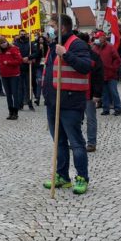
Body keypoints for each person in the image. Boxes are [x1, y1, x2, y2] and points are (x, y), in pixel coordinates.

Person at [42, 14, 92, 195]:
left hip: (70, 102)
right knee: (59, 142)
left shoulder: (76, 44)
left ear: (62, 28)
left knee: (76, 142)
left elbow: (86, 66)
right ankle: (62, 176)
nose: (49, 29)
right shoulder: (52, 46)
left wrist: (66, 54)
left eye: (52, 25)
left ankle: (82, 177)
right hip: (53, 101)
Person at [79, 32, 103, 152]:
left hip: (89, 92)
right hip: (76, 92)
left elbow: (99, 76)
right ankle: (78, 142)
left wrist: (97, 94)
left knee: (90, 119)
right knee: (76, 119)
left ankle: (91, 143)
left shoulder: (94, 56)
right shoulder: (73, 54)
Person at [93, 31, 121, 116]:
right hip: (101, 75)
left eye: (98, 37)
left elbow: (117, 59)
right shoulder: (95, 48)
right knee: (104, 93)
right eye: (96, 38)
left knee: (114, 92)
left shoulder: (110, 47)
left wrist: (113, 68)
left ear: (103, 37)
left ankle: (117, 109)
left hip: (111, 74)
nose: (97, 39)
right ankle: (106, 109)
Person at [0, 36, 22, 120]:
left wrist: (9, 62)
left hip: (14, 75)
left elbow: (19, 60)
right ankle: (10, 112)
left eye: (4, 42)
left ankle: (16, 112)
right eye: (1, 43)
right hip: (4, 75)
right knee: (8, 95)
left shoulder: (13, 49)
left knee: (15, 93)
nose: (4, 44)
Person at [15, 29, 34, 110]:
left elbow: (36, 52)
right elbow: (14, 54)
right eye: (21, 34)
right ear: (19, 35)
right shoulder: (15, 44)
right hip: (19, 68)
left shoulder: (30, 43)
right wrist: (21, 60)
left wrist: (29, 58)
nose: (22, 35)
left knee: (28, 87)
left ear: (26, 35)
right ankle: (20, 104)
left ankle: (30, 104)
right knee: (20, 87)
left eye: (24, 34)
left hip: (28, 68)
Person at [32, 35, 48, 106]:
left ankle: (45, 98)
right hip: (39, 66)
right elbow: (35, 55)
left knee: (45, 83)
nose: (41, 40)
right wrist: (39, 50)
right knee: (39, 81)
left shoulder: (47, 46)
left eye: (42, 39)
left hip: (45, 65)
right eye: (40, 39)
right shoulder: (36, 46)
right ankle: (37, 98)